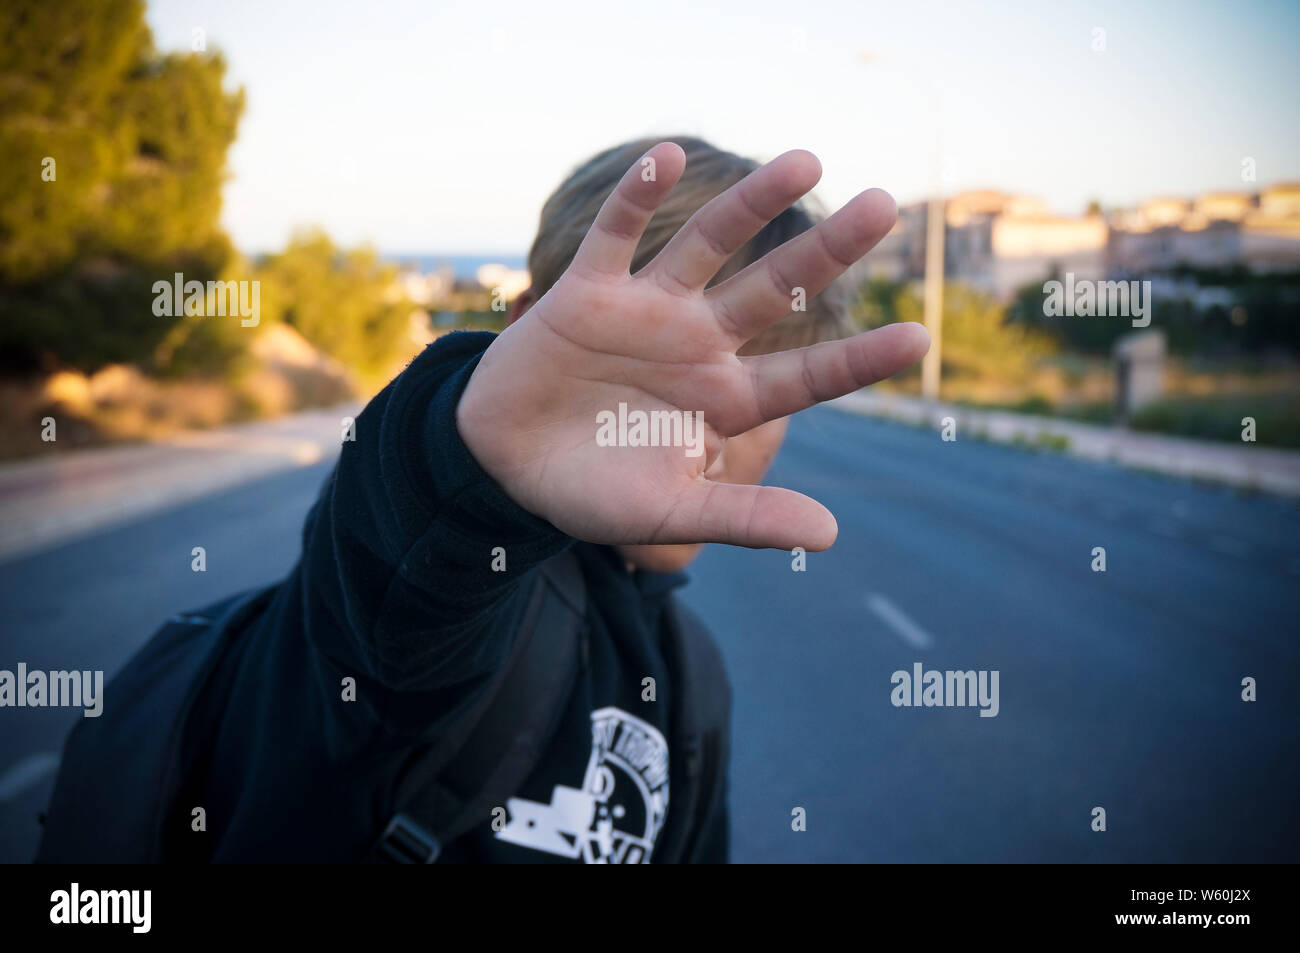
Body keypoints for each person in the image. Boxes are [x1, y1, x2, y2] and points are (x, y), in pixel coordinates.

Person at [36, 136, 928, 864]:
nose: (712, 432)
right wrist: (468, 458)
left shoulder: (691, 671)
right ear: (530, 325)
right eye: (665, 380)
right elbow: (403, 572)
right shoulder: (455, 600)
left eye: (761, 378)